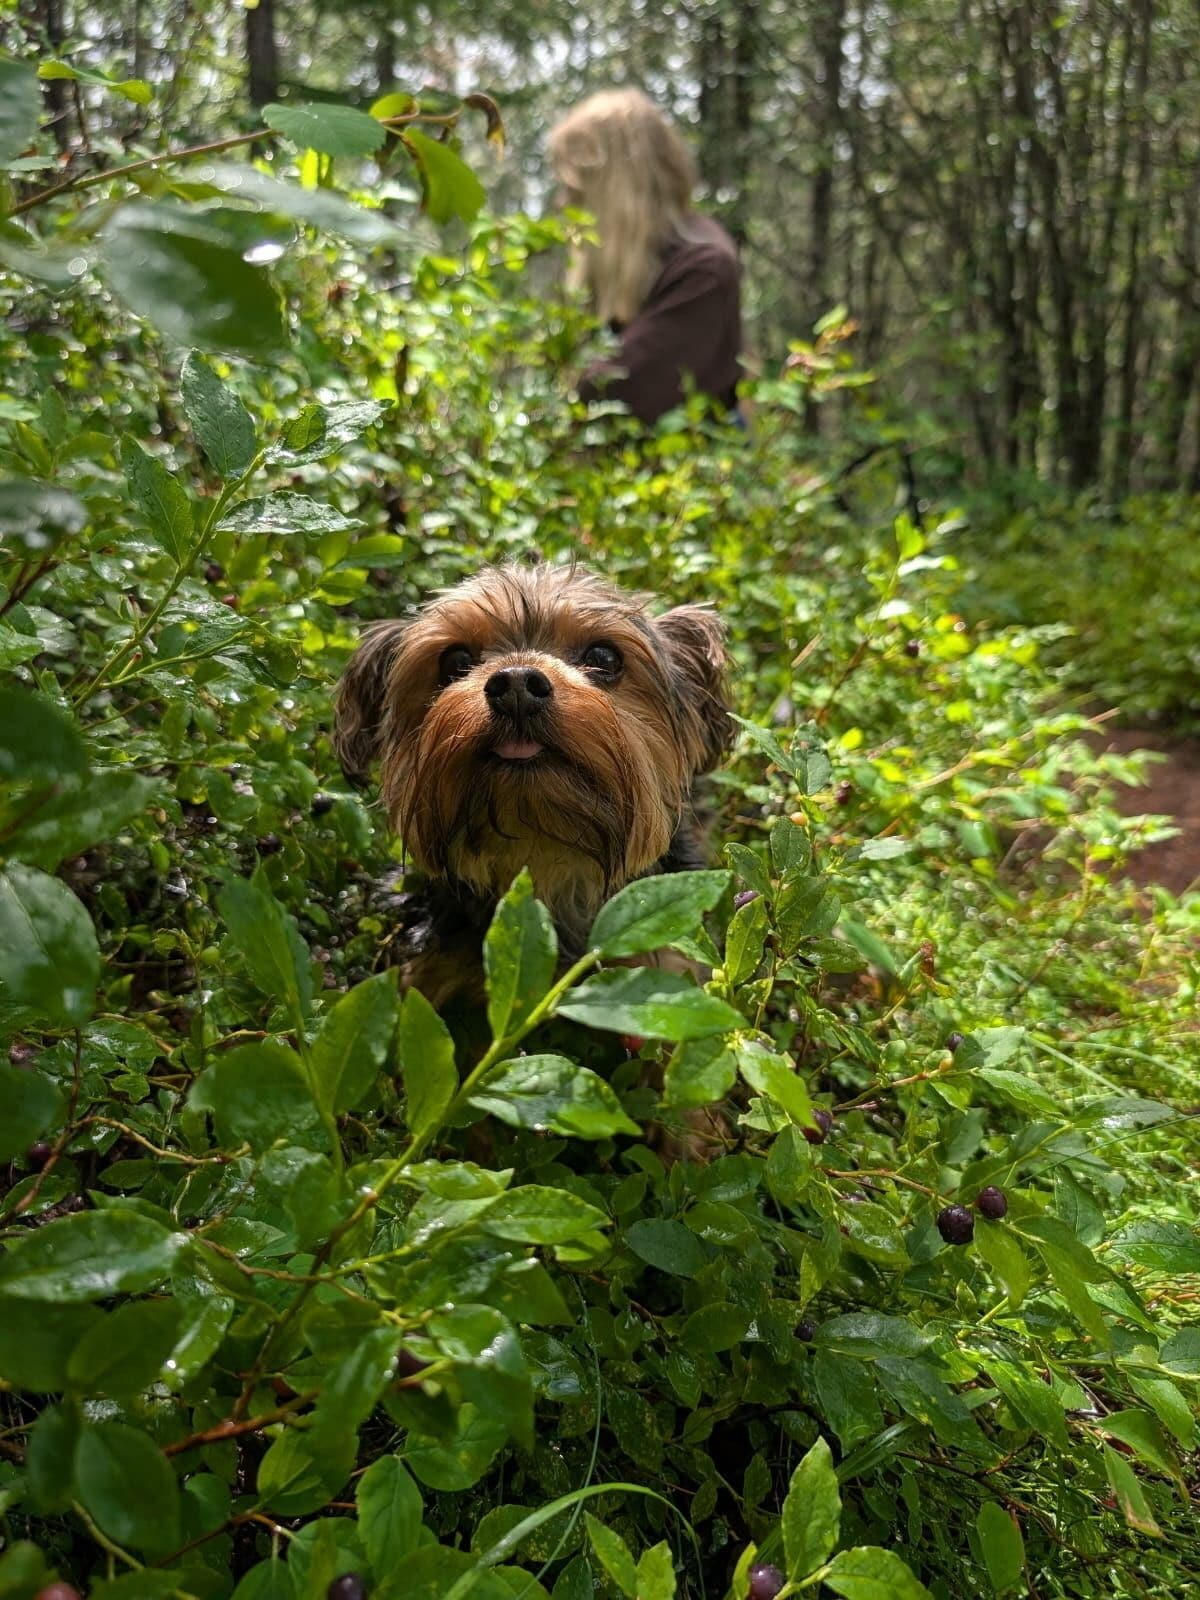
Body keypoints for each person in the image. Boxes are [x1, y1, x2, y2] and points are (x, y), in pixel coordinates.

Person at [548, 88, 744, 426]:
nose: (564, 204)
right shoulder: (642, 262)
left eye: (577, 190)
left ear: (616, 189)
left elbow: (615, 393)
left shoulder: (704, 270)